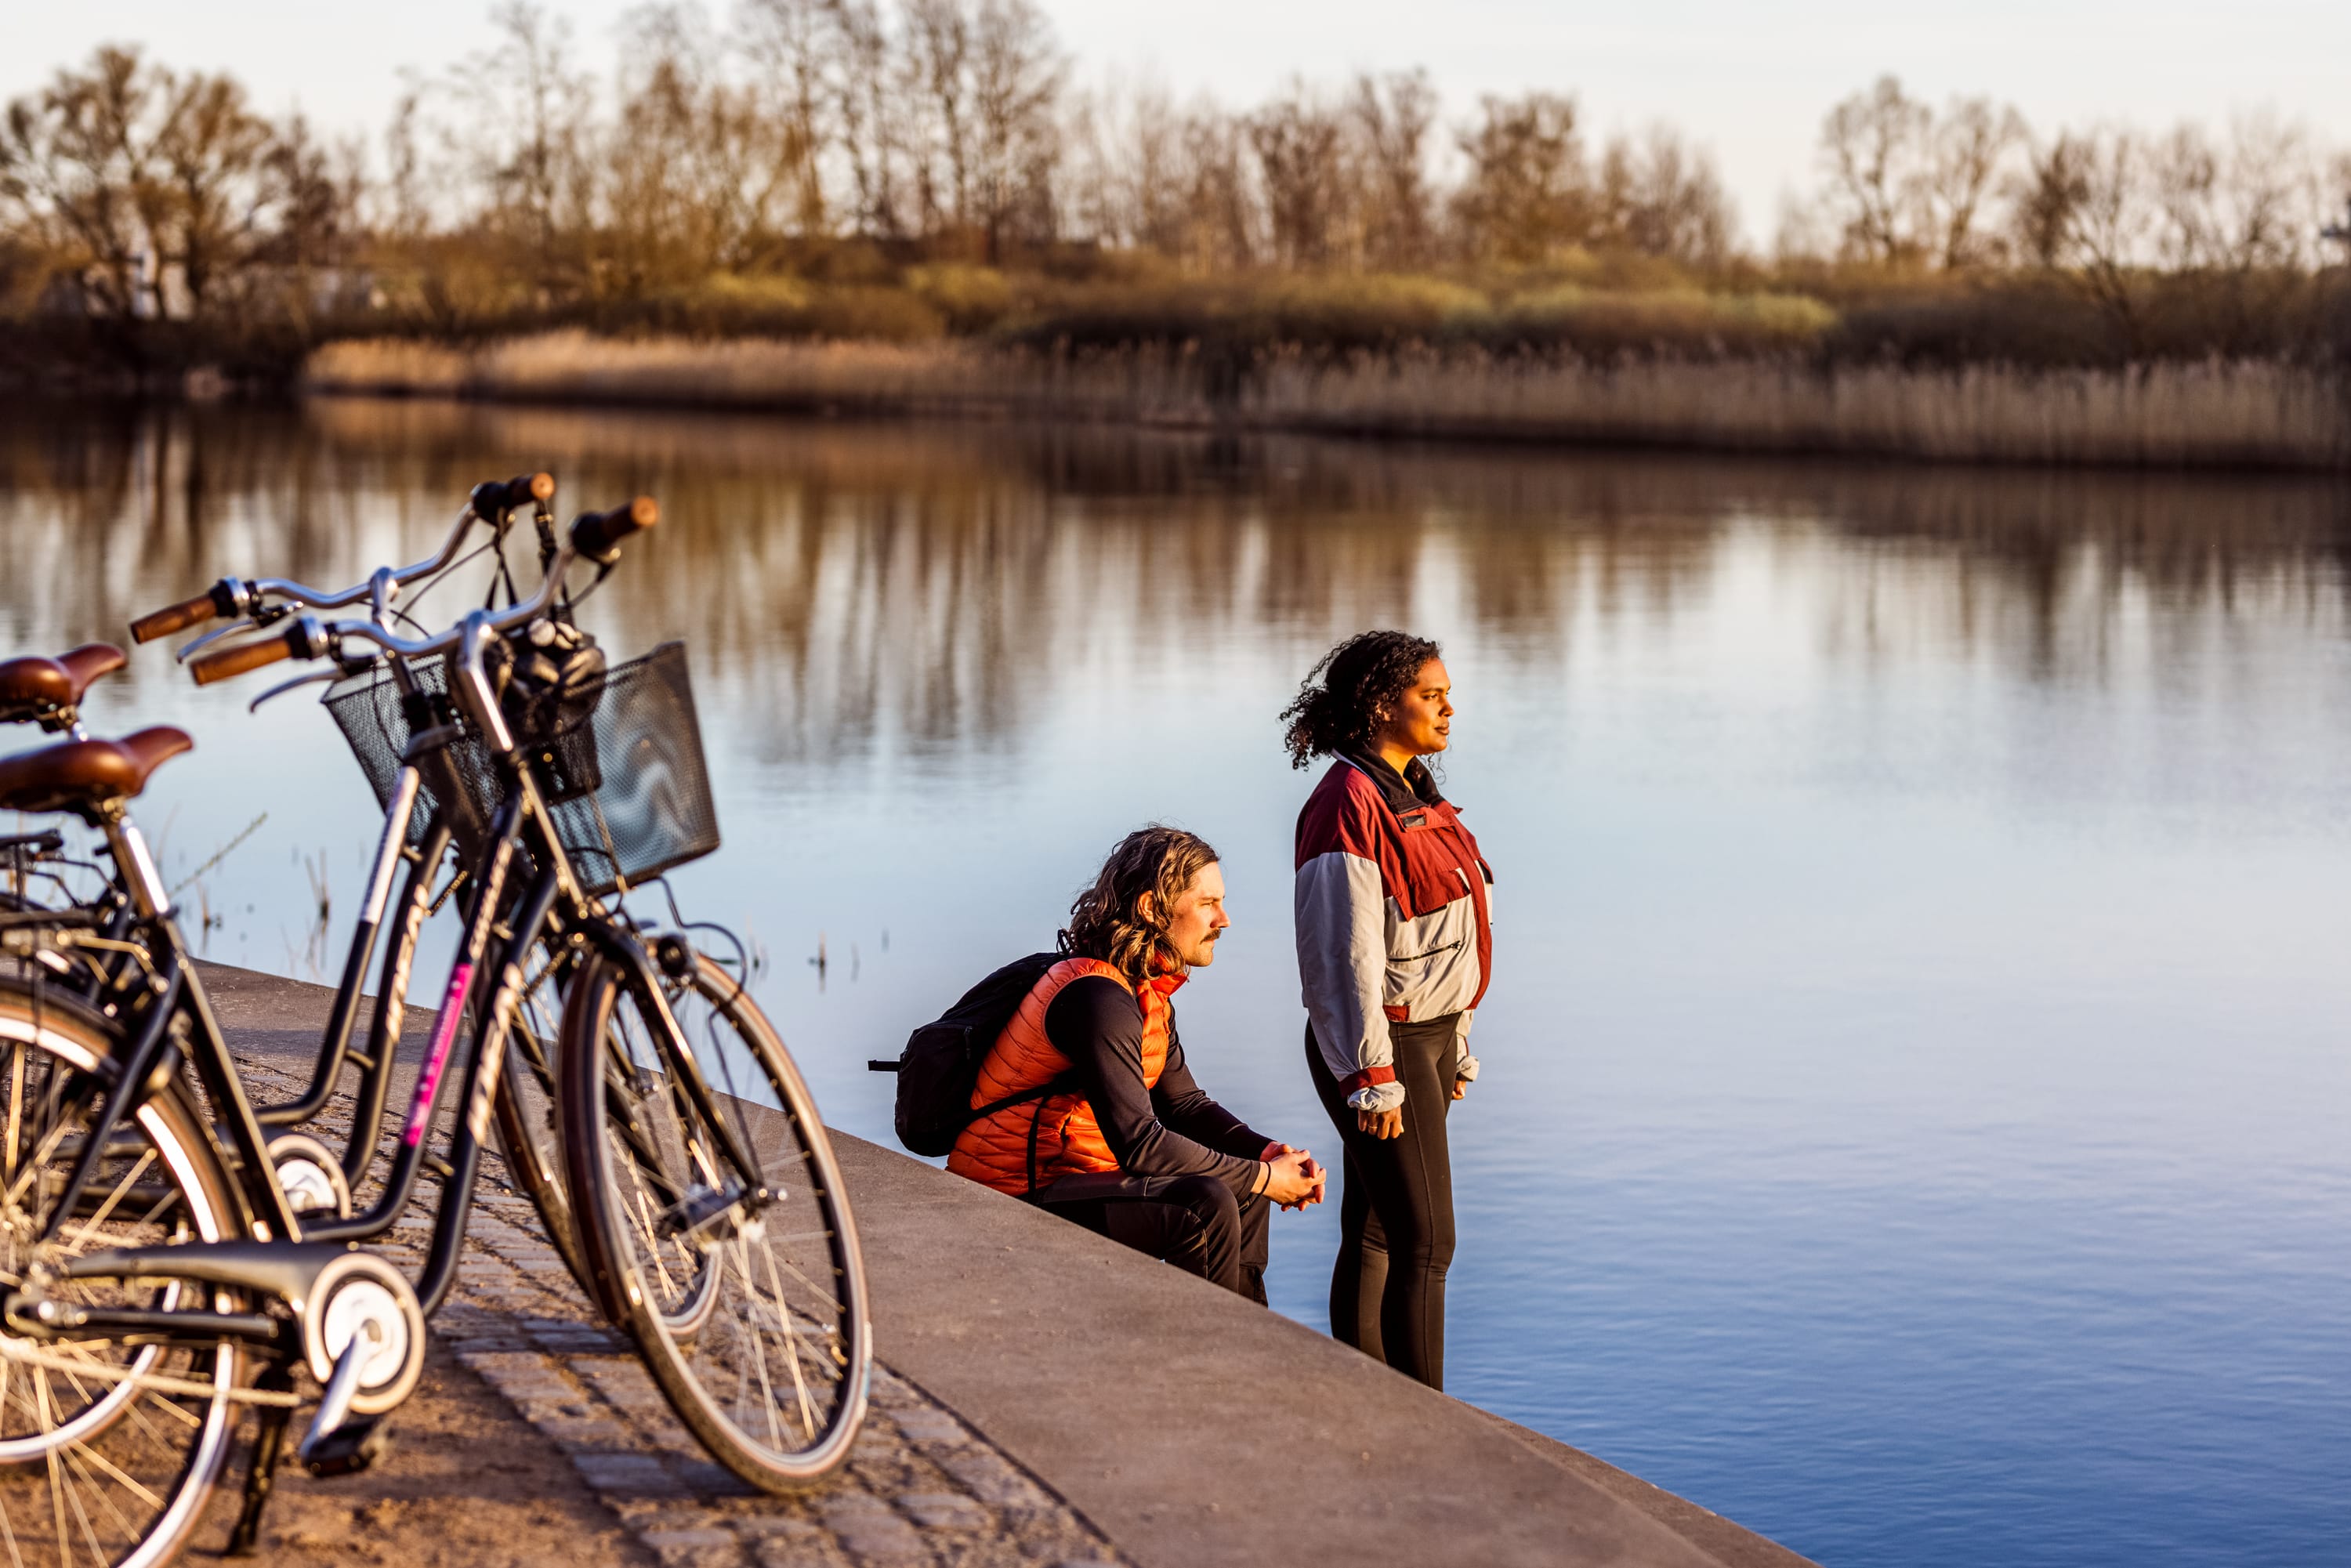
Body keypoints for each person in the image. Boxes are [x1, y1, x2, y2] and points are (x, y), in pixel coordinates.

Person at [946, 825, 1324, 1302]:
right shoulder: (1096, 998)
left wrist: (1267, 1155)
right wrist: (1267, 1179)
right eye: (1207, 903)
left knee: (1243, 1185)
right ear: (1151, 908)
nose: (1224, 919)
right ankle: (1208, 1359)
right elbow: (1140, 1144)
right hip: (1007, 1196)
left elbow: (1184, 1105)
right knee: (1204, 1204)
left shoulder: (1146, 993)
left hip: (1074, 1179)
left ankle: (1248, 1351)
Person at [1284, 631, 1493, 1389]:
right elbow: (1342, 957)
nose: (1449, 709)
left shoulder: (1416, 795)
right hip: (1387, 1044)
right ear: (1381, 705)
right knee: (1427, 1241)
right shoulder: (1348, 804)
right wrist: (1372, 1075)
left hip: (1425, 1040)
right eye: (1430, 696)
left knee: (1374, 1227)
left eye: (1446, 695)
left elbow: (1447, 935)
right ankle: (1428, 1421)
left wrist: (1459, 1042)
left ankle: (1363, 1394)